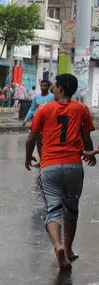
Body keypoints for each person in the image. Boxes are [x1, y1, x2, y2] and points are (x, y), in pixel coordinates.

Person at [25, 73, 96, 270]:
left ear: (60, 89)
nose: (54, 89)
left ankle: (58, 246)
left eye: (56, 86)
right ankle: (69, 249)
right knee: (71, 208)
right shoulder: (81, 109)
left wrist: (28, 157)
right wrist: (90, 154)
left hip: (50, 166)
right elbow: (87, 138)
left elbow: (31, 138)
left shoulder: (45, 109)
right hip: (74, 166)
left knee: (53, 209)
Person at [23, 80, 55, 163]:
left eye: (45, 86)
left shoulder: (52, 97)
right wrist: (26, 119)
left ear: (48, 87)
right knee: (38, 143)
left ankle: (46, 161)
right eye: (41, 86)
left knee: (44, 143)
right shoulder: (36, 97)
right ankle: (42, 161)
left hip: (47, 124)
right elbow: (32, 109)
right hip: (36, 123)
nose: (43, 87)